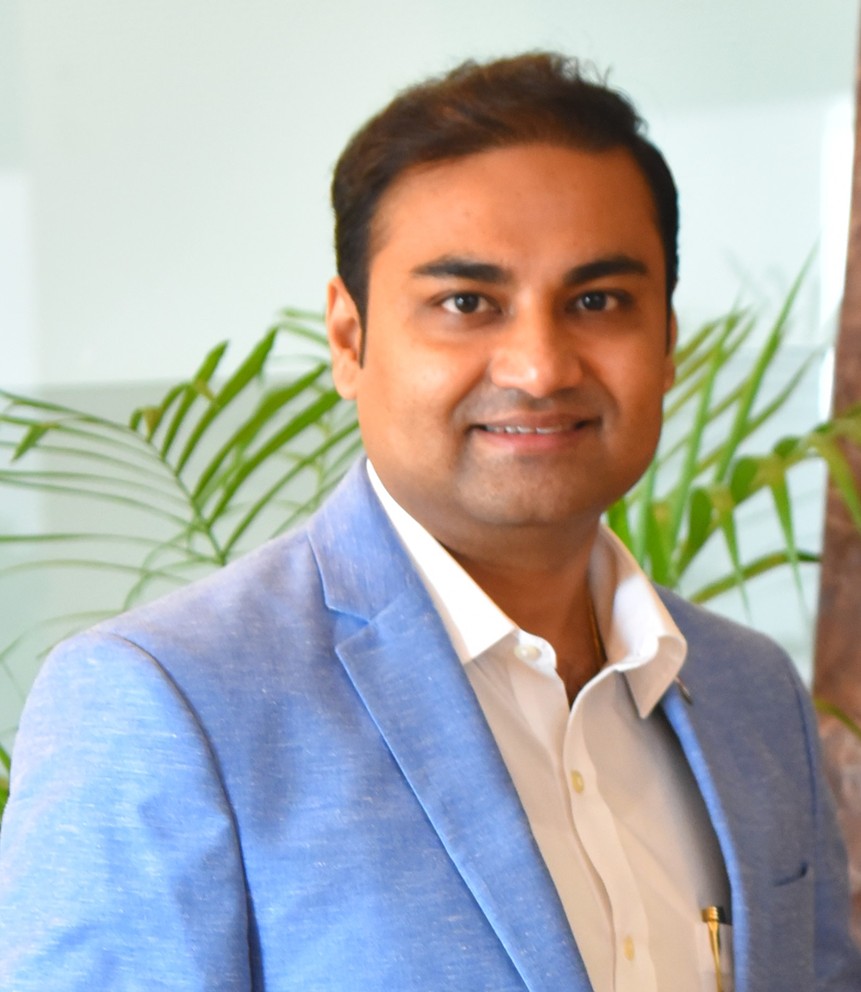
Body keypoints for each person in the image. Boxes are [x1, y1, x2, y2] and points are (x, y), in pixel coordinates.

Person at [0, 52, 858, 992]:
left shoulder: (750, 694)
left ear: (665, 341)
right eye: (465, 303)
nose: (539, 366)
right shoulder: (164, 702)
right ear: (349, 338)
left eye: (596, 301)